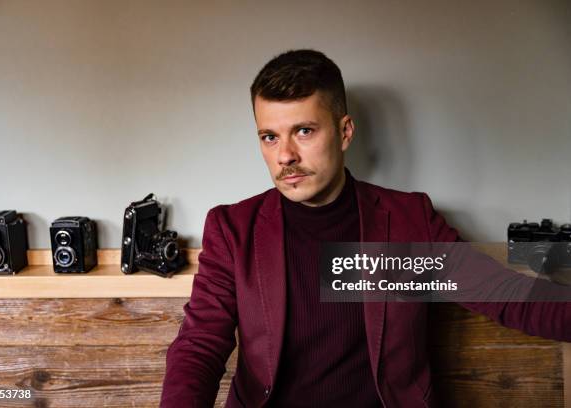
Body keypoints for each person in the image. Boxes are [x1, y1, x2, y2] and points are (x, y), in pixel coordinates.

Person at [160, 49, 571, 407]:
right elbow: (200, 346)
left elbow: (506, 297)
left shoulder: (409, 220)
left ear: (344, 132)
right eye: (269, 137)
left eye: (304, 131)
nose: (285, 155)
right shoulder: (234, 228)